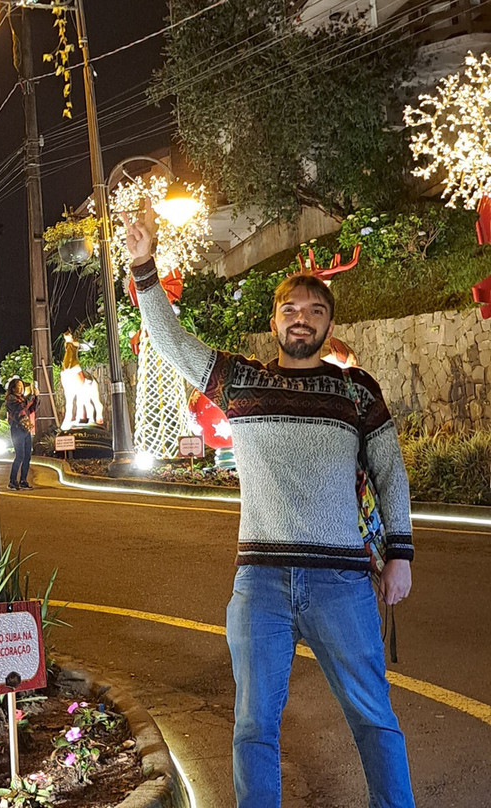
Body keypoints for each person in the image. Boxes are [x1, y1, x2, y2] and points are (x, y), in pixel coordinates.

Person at [122, 206, 415, 808]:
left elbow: (390, 473)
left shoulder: (357, 391)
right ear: (274, 320)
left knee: (374, 717)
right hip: (261, 584)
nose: (301, 320)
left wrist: (402, 555)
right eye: (291, 310)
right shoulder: (241, 382)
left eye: (314, 311)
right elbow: (174, 345)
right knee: (254, 726)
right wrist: (143, 268)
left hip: (343, 581)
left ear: (329, 325)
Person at [5, 377, 37, 490]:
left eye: (22, 387)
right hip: (17, 429)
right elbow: (21, 407)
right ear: (12, 388)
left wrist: (36, 397)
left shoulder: (22, 399)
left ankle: (23, 480)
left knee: (27, 456)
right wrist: (32, 396)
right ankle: (12, 481)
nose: (20, 389)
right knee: (20, 456)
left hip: (25, 428)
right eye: (18, 386)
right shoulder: (11, 399)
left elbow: (32, 408)